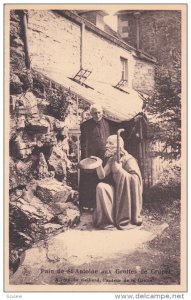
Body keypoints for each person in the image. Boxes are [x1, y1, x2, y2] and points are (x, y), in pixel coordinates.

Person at [93, 135, 143, 230]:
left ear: (119, 145)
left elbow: (136, 181)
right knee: (101, 186)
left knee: (103, 186)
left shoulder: (129, 159)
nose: (107, 146)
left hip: (127, 195)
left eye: (110, 143)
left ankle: (123, 218)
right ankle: (108, 221)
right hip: (117, 191)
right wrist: (98, 164)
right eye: (107, 143)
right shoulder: (112, 159)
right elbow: (101, 176)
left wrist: (120, 170)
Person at [79, 104, 115, 211]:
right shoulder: (85, 125)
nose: (97, 115)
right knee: (90, 181)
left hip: (105, 158)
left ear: (102, 112)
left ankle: (103, 205)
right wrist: (86, 161)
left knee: (104, 179)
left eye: (99, 112)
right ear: (90, 114)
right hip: (92, 158)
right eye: (94, 113)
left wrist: (110, 152)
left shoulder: (108, 124)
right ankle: (89, 206)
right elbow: (84, 144)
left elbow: (111, 141)